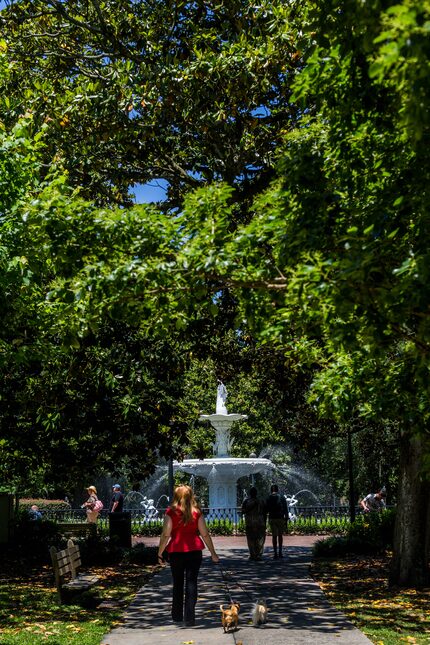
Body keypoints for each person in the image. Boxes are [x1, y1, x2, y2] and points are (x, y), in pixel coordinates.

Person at [157, 485, 220, 627]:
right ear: (191, 495)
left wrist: (160, 552)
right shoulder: (196, 512)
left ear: (176, 496)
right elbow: (205, 534)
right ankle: (190, 617)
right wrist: (213, 553)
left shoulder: (170, 512)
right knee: (192, 582)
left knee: (177, 583)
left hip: (176, 552)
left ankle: (177, 615)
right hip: (194, 551)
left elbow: (166, 534)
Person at [241, 487, 266, 561]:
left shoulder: (246, 501)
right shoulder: (261, 501)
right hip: (260, 522)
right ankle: (258, 554)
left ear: (250, 493)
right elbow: (265, 512)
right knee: (260, 538)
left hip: (250, 522)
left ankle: (253, 554)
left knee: (251, 539)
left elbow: (242, 511)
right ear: (256, 493)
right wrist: (265, 522)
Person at [266, 484, 288, 559]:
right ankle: (280, 552)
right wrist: (286, 518)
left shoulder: (269, 497)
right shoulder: (282, 497)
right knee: (280, 535)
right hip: (280, 518)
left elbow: (266, 508)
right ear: (277, 489)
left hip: (272, 518)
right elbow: (285, 508)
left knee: (274, 536)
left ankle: (275, 553)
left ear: (271, 490)